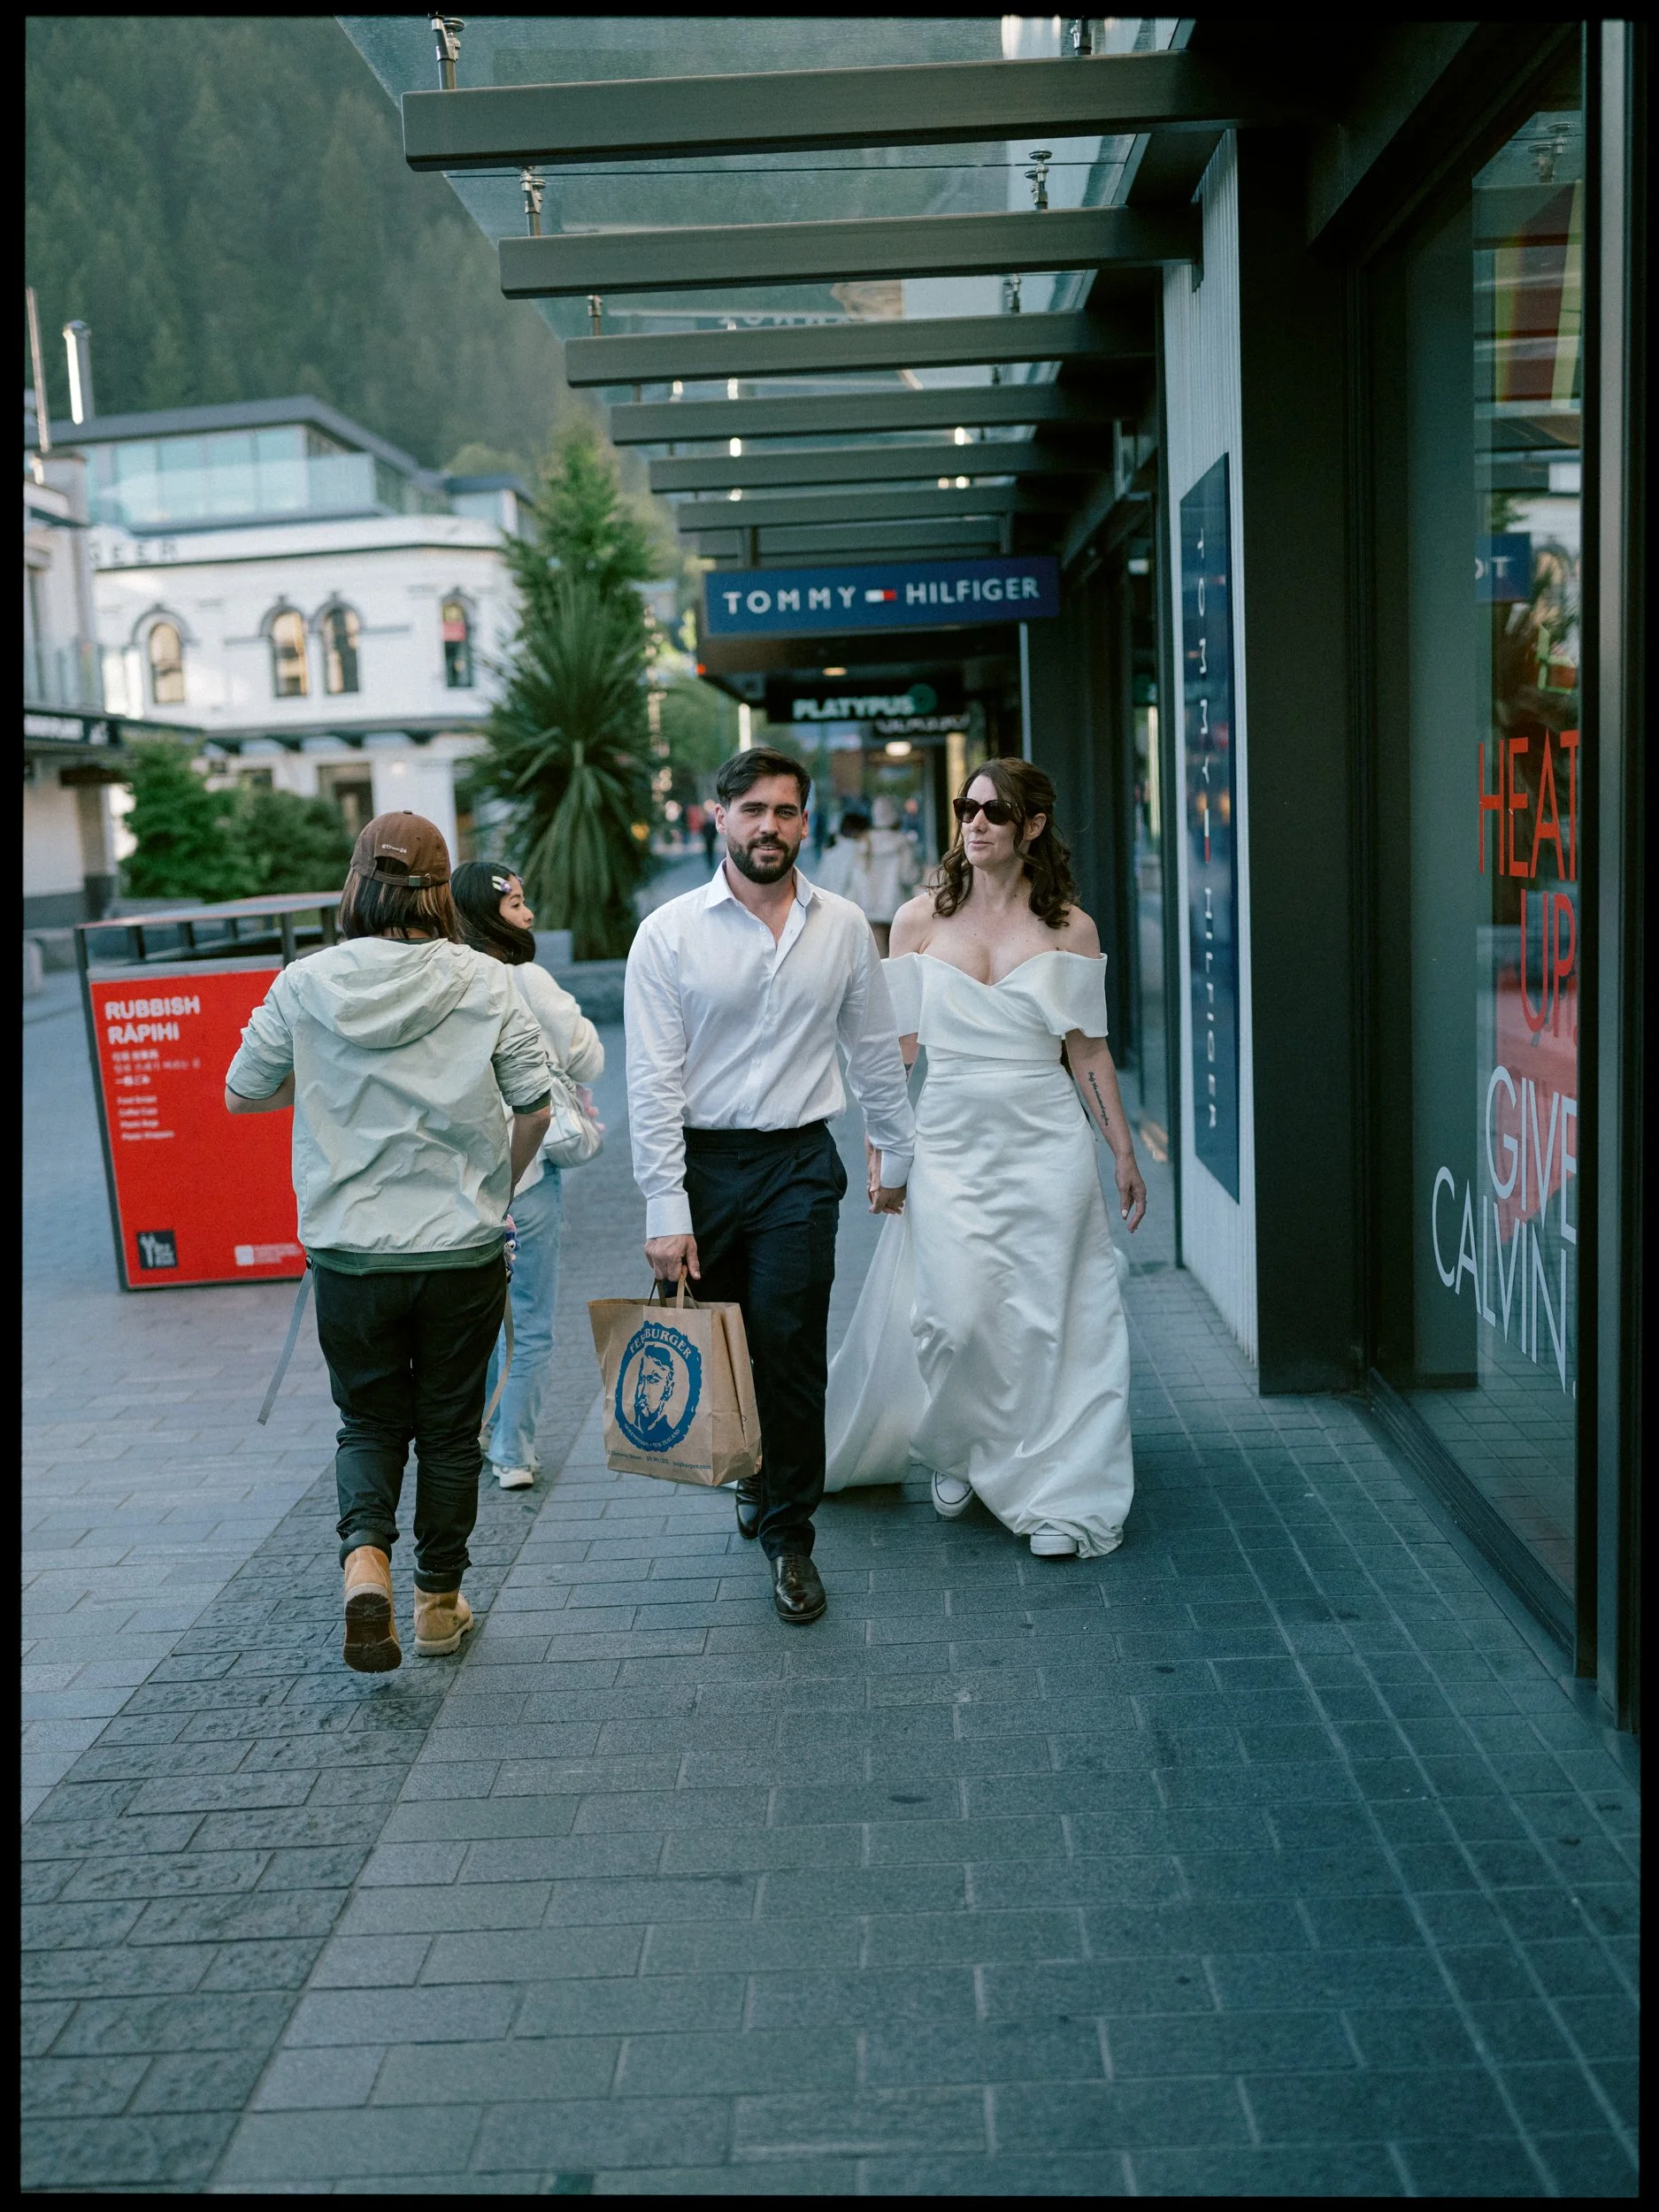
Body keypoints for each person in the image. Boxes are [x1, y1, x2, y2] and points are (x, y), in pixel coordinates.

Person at [225, 812, 552, 1672]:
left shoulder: (306, 983)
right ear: (444, 890)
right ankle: (439, 1605)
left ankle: (365, 1561)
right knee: (449, 1432)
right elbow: (535, 1102)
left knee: (368, 1423)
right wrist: (499, 1188)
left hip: (351, 1255)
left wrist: (322, 1067)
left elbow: (241, 1091)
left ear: (358, 882)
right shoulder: (487, 981)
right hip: (460, 1251)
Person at [824, 758, 1147, 1559]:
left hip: (1045, 1139)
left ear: (1031, 826)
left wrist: (1122, 1152)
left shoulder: (1070, 927)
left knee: (1049, 1321)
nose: (973, 822)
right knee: (955, 1315)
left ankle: (1057, 1491)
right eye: (965, 808)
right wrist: (881, 1152)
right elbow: (895, 1054)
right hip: (950, 1136)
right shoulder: (915, 921)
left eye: (993, 812)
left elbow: (1089, 1055)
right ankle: (959, 1445)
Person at [625, 746, 916, 1625]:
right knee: (728, 1345)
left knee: (790, 1346)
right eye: (752, 809)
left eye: (786, 811)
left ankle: (791, 1538)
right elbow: (651, 1083)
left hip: (798, 1161)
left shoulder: (841, 926)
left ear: (804, 822)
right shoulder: (669, 932)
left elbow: (873, 1048)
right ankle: (753, 1470)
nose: (769, 826)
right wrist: (666, 1208)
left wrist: (897, 1152)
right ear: (720, 816)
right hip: (703, 1163)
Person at [451, 860, 604, 1491]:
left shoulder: (446, 983)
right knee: (530, 1322)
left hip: (458, 1181)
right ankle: (513, 1452)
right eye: (515, 904)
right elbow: (589, 1057)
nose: (529, 914)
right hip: (528, 1174)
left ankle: (477, 1431)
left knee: (477, 1322)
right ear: (490, 916)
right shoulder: (525, 978)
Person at [842, 794, 920, 956]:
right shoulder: (902, 842)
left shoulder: (864, 841)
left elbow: (856, 878)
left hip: (870, 909)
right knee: (898, 959)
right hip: (896, 909)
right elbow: (909, 876)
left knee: (879, 961)